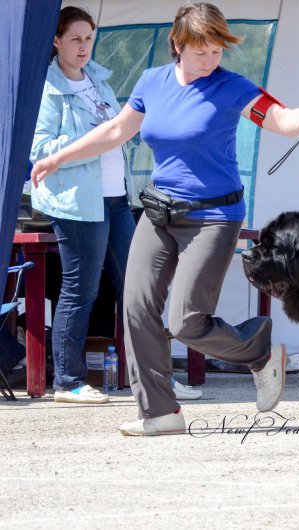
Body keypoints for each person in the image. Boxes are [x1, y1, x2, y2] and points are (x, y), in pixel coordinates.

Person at [30, 3, 299, 435]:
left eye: (216, 52)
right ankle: (160, 413)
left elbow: (282, 120)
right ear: (177, 45)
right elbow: (117, 130)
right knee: (135, 306)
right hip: (159, 214)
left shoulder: (233, 87)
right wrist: (59, 157)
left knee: (186, 321)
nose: (211, 61)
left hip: (214, 217)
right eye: (201, 52)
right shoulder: (152, 82)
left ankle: (259, 351)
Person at [29, 6, 136, 405]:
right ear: (55, 41)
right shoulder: (47, 86)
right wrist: (91, 140)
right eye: (75, 38)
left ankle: (151, 377)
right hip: (77, 203)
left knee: (138, 285)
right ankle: (69, 382)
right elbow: (39, 148)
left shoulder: (98, 80)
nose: (83, 46)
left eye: (89, 38)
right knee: (81, 290)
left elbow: (120, 131)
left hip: (117, 198)